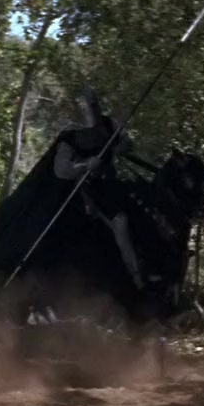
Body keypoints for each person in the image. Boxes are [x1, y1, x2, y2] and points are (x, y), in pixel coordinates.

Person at [51, 88, 152, 288]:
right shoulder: (69, 137)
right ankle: (135, 274)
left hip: (113, 181)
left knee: (145, 208)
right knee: (120, 222)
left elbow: (126, 143)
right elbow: (61, 170)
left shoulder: (109, 124)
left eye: (92, 105)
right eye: (86, 106)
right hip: (87, 188)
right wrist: (85, 165)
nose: (90, 110)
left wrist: (120, 145)